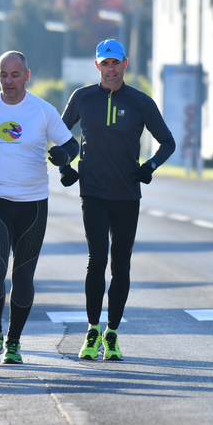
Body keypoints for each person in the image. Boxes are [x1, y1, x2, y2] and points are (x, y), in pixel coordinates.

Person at [60, 39, 175, 361]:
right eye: (104, 64)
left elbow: (167, 141)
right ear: (97, 66)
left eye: (116, 63)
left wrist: (150, 165)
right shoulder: (82, 98)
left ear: (125, 63)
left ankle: (112, 334)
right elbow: (58, 135)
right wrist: (65, 166)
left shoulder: (141, 102)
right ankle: (92, 330)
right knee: (97, 259)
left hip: (126, 194)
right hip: (93, 192)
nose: (111, 70)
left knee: (121, 263)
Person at [0, 51, 79, 364]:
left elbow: (71, 144)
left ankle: (13, 341)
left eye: (15, 74)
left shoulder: (42, 110)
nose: (8, 81)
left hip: (33, 204)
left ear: (27, 76)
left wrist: (63, 157)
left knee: (23, 277)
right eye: (3, 74)